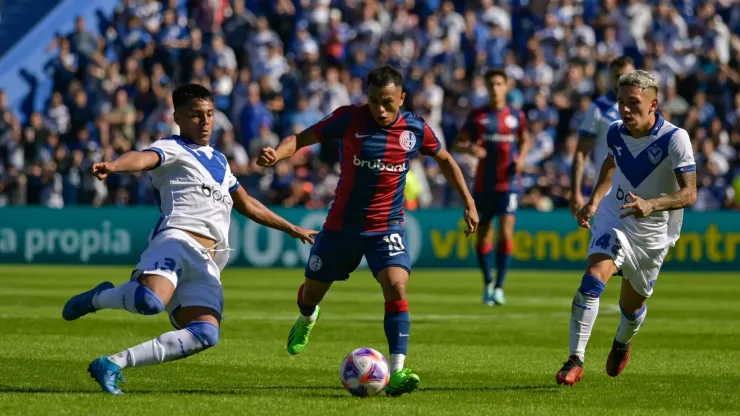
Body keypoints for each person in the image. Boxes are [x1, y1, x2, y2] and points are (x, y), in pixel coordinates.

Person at [61, 84, 317, 395]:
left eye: (209, 114)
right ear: (178, 117)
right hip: (177, 239)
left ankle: (113, 363)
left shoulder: (221, 161)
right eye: (196, 115)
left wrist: (292, 227)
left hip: (209, 261)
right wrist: (114, 166)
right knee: (150, 301)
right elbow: (142, 158)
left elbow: (247, 204)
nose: (205, 121)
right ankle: (98, 298)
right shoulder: (172, 147)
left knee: (206, 333)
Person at [257, 65, 479, 396]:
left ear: (401, 98)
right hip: (341, 226)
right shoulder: (350, 119)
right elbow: (302, 138)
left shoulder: (414, 130)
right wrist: (278, 153)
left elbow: (445, 160)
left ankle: (399, 370)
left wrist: (468, 201)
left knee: (396, 286)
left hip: (386, 225)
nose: (380, 109)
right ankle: (306, 317)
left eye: (388, 102)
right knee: (311, 293)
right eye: (374, 101)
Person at [555, 70, 697, 386]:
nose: (625, 110)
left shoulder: (675, 139)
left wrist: (652, 205)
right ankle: (574, 360)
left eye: (633, 103)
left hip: (652, 232)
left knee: (631, 307)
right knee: (592, 279)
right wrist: (593, 202)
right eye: (621, 102)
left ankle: (622, 342)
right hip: (615, 217)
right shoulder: (616, 132)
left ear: (654, 104)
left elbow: (690, 193)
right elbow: (610, 163)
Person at [453, 69, 530, 306]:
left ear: (506, 86)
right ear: (486, 88)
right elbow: (457, 144)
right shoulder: (477, 116)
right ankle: (487, 281)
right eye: (491, 84)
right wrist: (469, 149)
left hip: (509, 185)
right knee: (483, 234)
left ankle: (499, 286)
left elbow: (525, 139)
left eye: (499, 84)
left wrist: (522, 158)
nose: (495, 88)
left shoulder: (516, 115)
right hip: (484, 185)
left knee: (506, 232)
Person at [570, 56, 635, 215]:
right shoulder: (597, 109)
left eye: (626, 75)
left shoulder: (645, 107)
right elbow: (580, 153)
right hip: (607, 193)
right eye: (616, 76)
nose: (621, 80)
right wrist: (575, 192)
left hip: (639, 192)